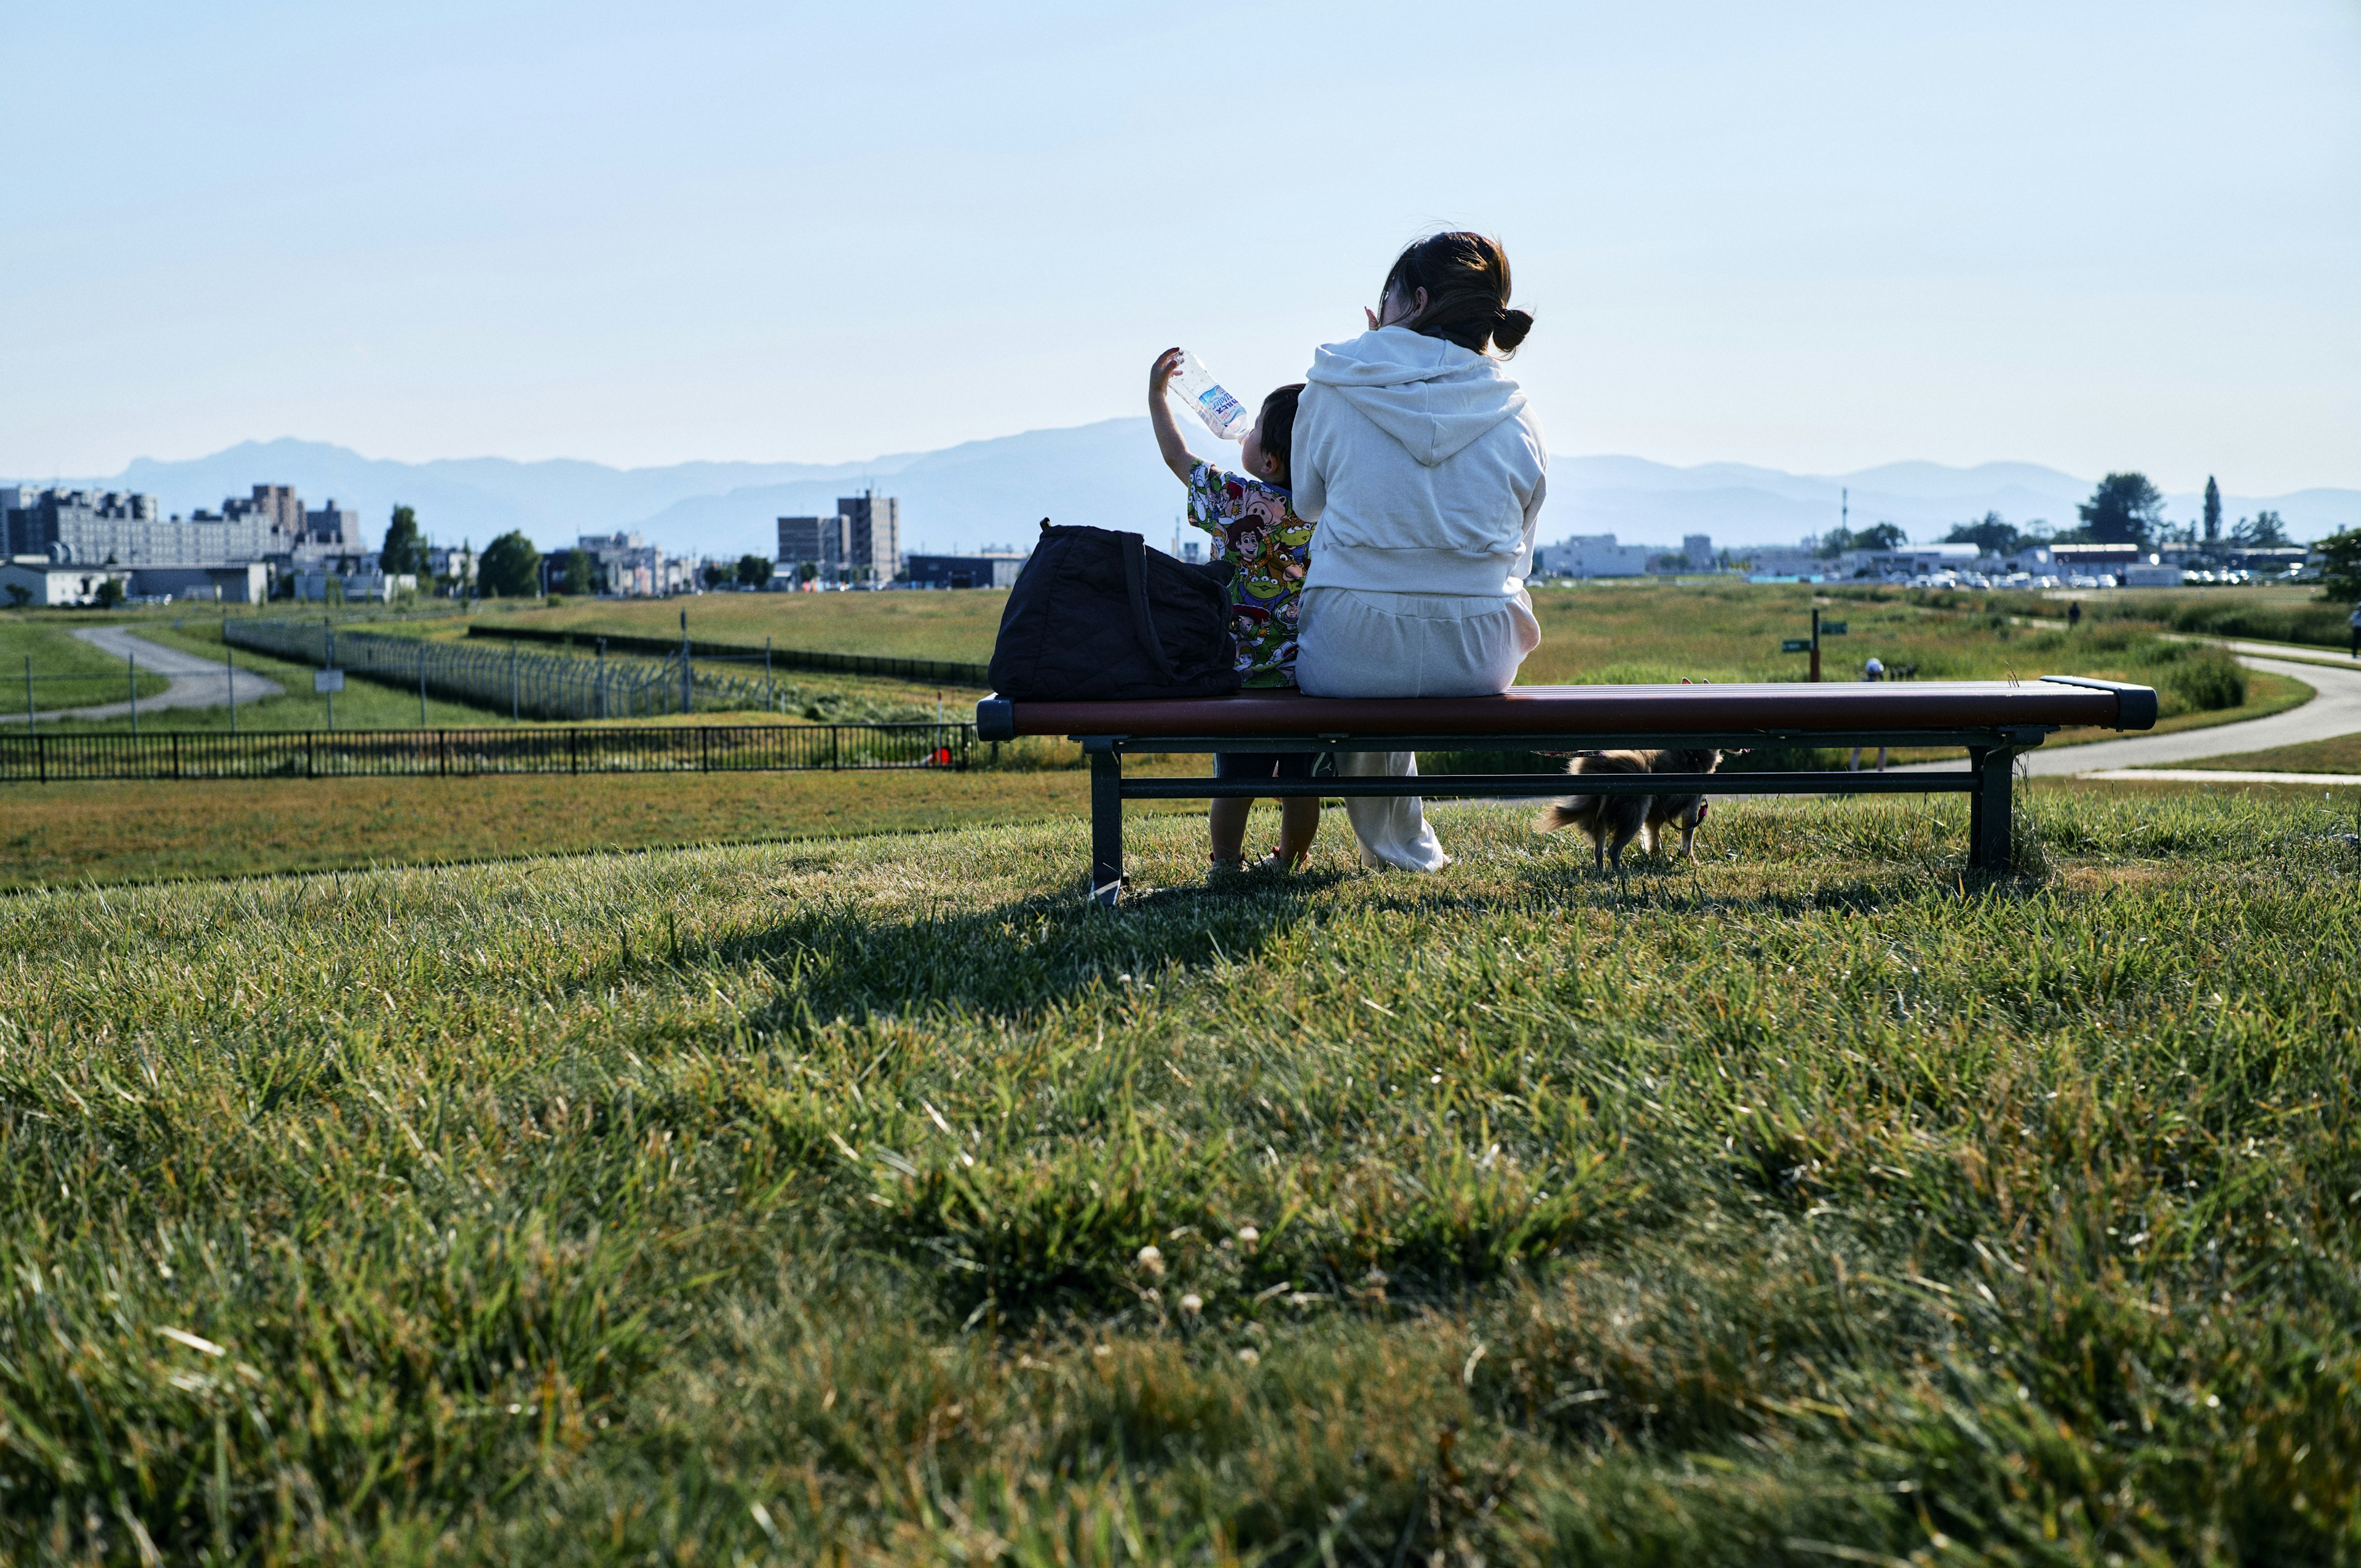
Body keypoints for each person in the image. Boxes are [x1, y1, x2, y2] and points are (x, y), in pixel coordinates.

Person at [1289, 232, 1546, 870]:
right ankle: (1406, 850)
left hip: (1353, 649)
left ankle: (1402, 850)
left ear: (1416, 300)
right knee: (1406, 621)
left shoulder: (1339, 376)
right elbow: (1523, 543)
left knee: (1374, 637)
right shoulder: (1515, 409)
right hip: (1480, 653)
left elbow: (1305, 503)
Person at [1146, 348, 1319, 877]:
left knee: (1233, 782)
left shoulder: (1236, 497)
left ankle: (1225, 864)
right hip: (1304, 676)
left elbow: (1178, 458)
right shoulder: (1325, 509)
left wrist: (1158, 397)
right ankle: (1289, 861)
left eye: (1253, 430)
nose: (1242, 432)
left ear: (1269, 461)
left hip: (1240, 674)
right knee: (1300, 783)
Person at [1850, 657, 1888, 772]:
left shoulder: (1861, 685)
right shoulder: (1880, 687)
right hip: (1877, 723)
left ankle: (1853, 774)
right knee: (1882, 748)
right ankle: (1880, 774)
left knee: (1857, 750)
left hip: (1862, 722)